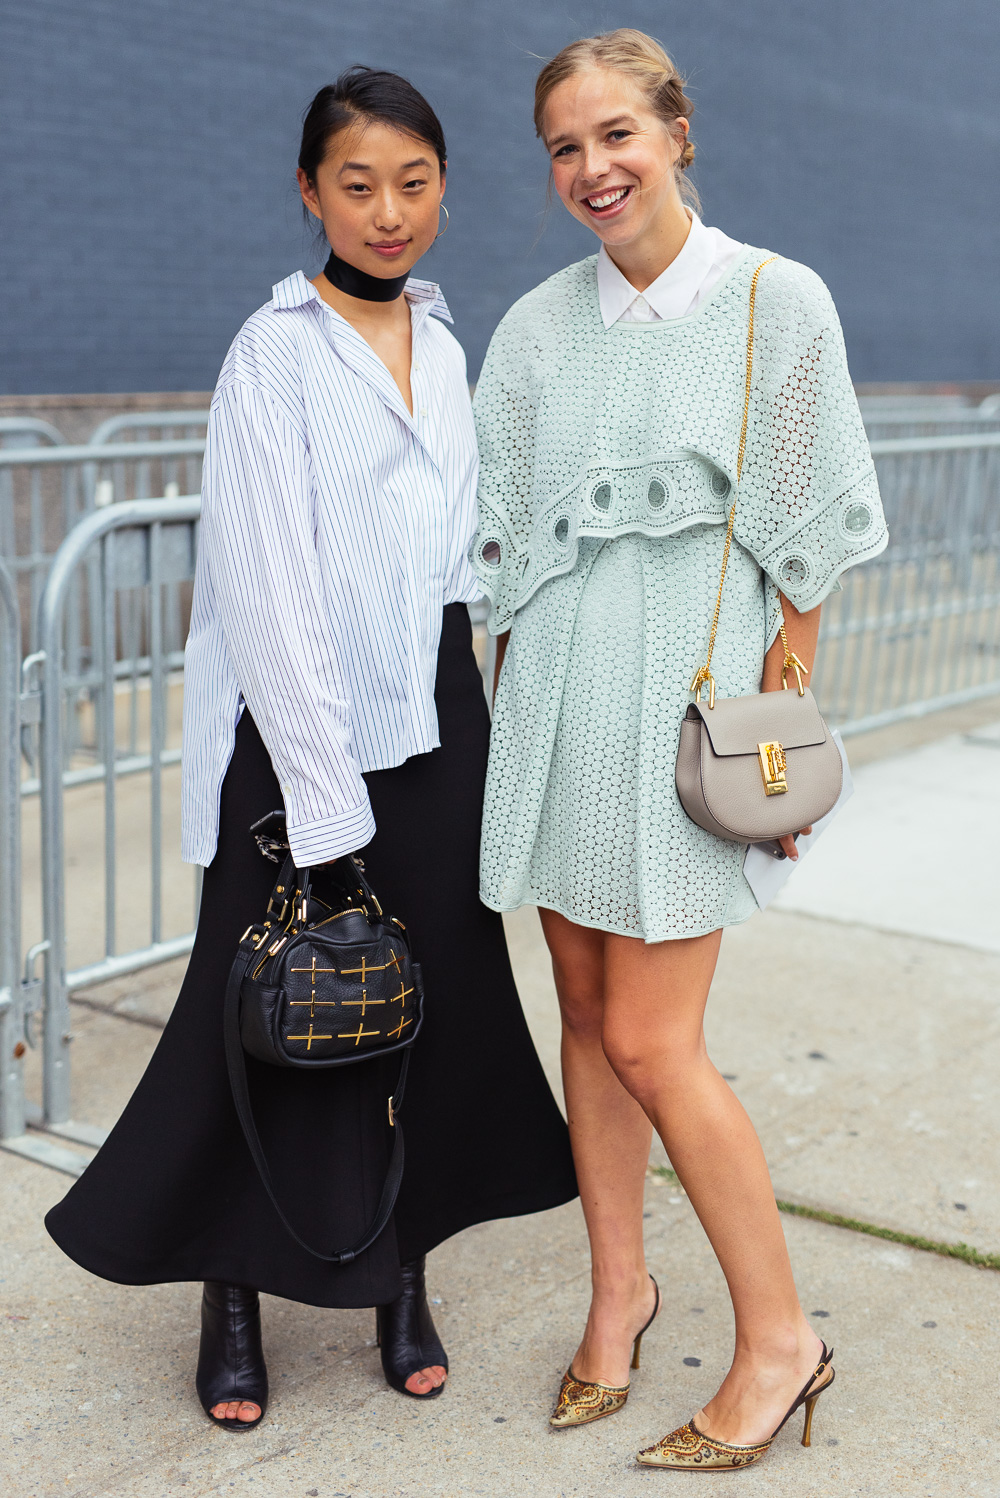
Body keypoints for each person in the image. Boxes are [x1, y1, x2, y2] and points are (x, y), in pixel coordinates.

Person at [45, 65, 576, 1431]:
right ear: (308, 192)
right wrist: (324, 801)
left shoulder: (451, 345)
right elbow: (268, 591)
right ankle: (230, 1290)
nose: (388, 211)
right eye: (357, 184)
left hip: (438, 727)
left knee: (423, 1016)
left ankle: (397, 1271)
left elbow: (471, 559)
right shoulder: (270, 352)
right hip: (296, 744)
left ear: (445, 188)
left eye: (414, 182)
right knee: (267, 1017)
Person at [470, 29, 887, 1472]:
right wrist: (510, 723)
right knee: (583, 1022)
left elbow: (815, 530)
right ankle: (618, 1296)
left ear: (678, 132)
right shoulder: (533, 330)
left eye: (616, 137)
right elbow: (505, 547)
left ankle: (782, 1340)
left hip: (688, 718)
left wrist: (780, 747)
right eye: (565, 149)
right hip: (559, 707)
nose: (592, 169)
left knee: (656, 1039)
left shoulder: (777, 303)